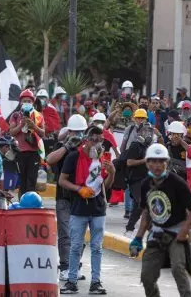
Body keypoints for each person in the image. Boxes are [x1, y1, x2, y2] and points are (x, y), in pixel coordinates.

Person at [130, 144, 191, 297]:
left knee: (178, 268)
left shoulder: (177, 182)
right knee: (147, 276)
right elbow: (147, 212)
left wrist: (184, 231)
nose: (157, 165)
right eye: (153, 161)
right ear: (147, 163)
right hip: (157, 233)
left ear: (166, 163)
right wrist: (138, 237)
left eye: (161, 161)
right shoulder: (145, 185)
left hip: (176, 233)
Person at [59, 126, 115, 295]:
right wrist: (78, 189)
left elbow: (106, 186)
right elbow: (62, 180)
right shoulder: (74, 156)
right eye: (93, 139)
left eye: (100, 140)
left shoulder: (104, 159)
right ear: (86, 139)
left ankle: (96, 282)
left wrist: (112, 172)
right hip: (78, 208)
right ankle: (71, 281)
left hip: (98, 208)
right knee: (76, 246)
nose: (96, 143)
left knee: (97, 247)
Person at [46, 115, 88, 281]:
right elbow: (49, 159)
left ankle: (75, 266)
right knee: (65, 233)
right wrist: (66, 146)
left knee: (80, 233)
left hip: (82, 197)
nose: (77, 135)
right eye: (75, 132)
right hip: (64, 197)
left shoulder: (87, 148)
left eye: (80, 132)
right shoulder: (61, 146)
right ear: (69, 131)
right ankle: (65, 267)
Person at [9, 89, 45, 198]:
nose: (26, 103)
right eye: (24, 100)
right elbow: (11, 132)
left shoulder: (38, 115)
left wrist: (33, 126)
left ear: (33, 102)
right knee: (22, 181)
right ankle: (22, 204)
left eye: (29, 101)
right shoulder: (15, 115)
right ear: (20, 102)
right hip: (20, 153)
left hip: (34, 153)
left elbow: (43, 133)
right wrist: (21, 125)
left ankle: (31, 204)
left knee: (31, 181)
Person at [125, 122, 156, 235]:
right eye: (145, 131)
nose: (148, 134)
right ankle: (148, 228)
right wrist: (145, 160)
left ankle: (131, 227)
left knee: (142, 205)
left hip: (147, 180)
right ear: (139, 132)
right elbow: (129, 162)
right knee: (141, 202)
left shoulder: (149, 146)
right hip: (135, 180)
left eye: (150, 131)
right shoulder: (135, 145)